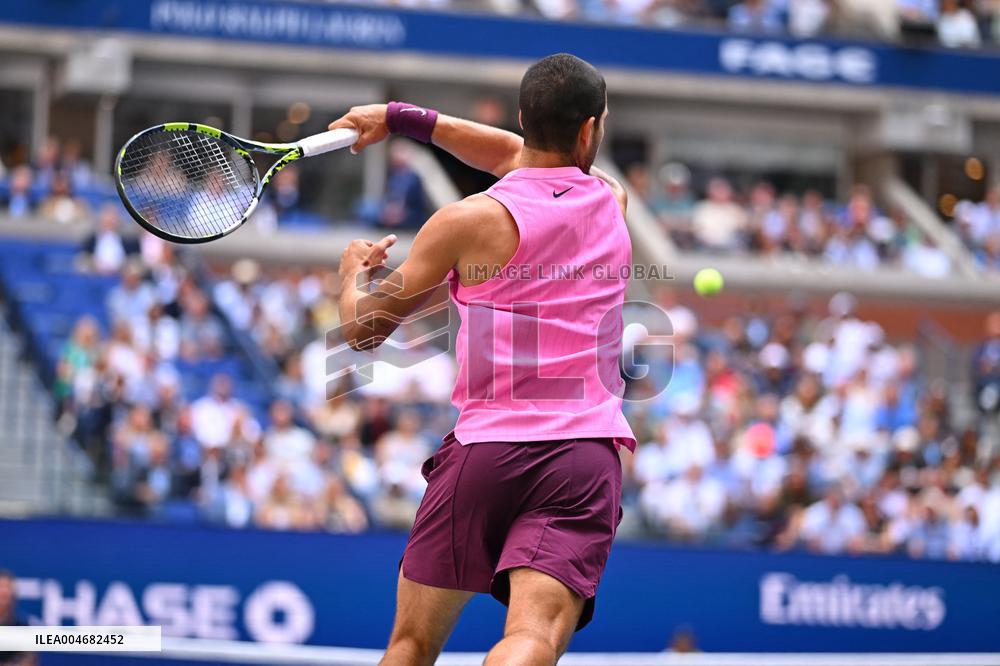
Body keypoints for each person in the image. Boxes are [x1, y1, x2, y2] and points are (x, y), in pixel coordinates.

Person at [329, 53, 635, 665]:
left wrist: (350, 277)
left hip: (482, 454)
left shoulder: (465, 222)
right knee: (531, 638)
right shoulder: (612, 199)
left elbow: (361, 334)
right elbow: (518, 157)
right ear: (590, 130)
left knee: (411, 646)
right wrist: (399, 119)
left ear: (524, 119)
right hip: (582, 456)